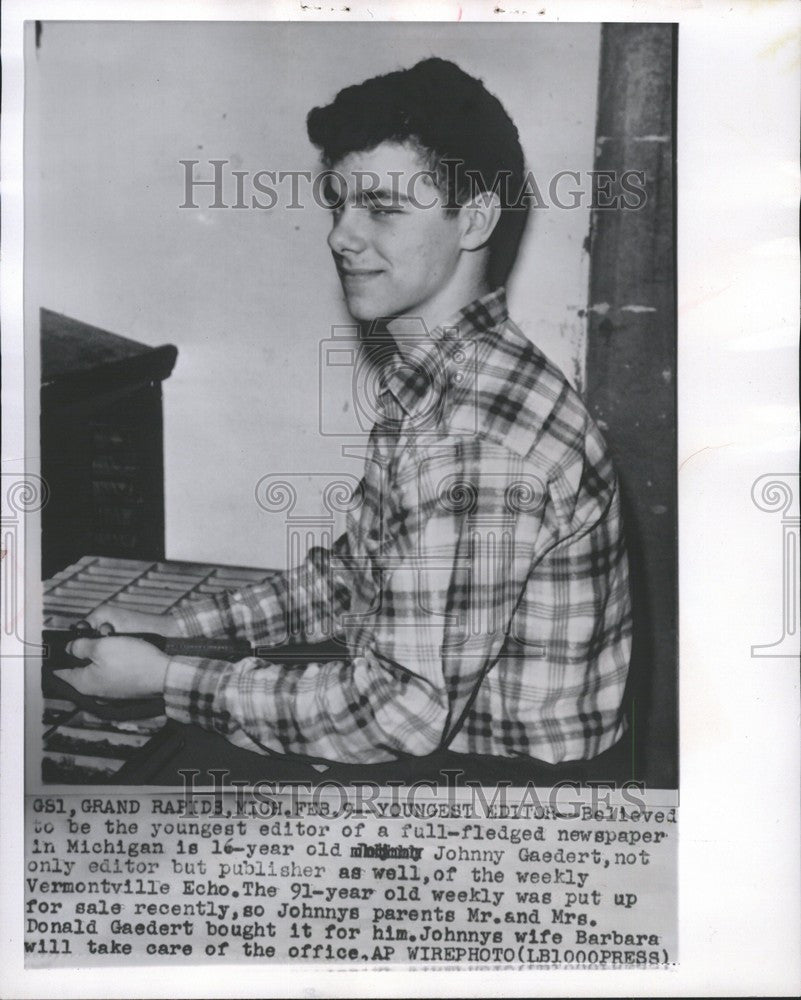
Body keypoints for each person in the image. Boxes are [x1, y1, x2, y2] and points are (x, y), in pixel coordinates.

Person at [58, 58, 632, 768]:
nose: (341, 235)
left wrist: (167, 681)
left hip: (505, 807)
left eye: (384, 208)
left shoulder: (473, 437)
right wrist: (174, 627)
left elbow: (396, 714)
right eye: (340, 203)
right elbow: (354, 578)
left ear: (475, 218)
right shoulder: (449, 378)